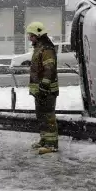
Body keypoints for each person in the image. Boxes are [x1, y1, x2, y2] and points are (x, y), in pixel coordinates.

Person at [26, 21, 59, 154]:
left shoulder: (46, 49)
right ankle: (45, 139)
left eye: (31, 35)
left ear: (38, 35)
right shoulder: (39, 47)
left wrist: (44, 85)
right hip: (40, 90)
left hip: (47, 90)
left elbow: (49, 68)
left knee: (48, 116)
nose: (29, 38)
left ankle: (52, 145)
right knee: (41, 116)